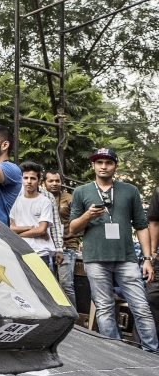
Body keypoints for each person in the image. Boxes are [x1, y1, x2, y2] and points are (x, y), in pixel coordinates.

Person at [69, 148, 156, 352]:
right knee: (104, 308)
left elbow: (142, 225)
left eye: (108, 162)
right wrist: (88, 216)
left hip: (126, 258)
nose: (103, 166)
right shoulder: (81, 192)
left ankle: (151, 352)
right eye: (99, 162)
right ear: (93, 165)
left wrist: (147, 258)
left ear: (115, 166)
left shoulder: (130, 190)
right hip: (95, 258)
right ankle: (116, 352)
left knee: (141, 307)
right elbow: (73, 228)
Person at [9, 161, 58, 269]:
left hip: (40, 253)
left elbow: (41, 230)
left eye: (33, 178)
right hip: (19, 251)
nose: (29, 182)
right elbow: (10, 228)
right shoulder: (14, 201)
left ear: (39, 181)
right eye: (25, 178)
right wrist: (32, 228)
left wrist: (17, 234)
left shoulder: (45, 201)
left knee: (43, 285)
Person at [45, 169, 79, 305]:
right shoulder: (40, 197)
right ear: (44, 183)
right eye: (50, 181)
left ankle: (73, 319)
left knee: (66, 285)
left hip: (66, 246)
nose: (54, 183)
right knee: (48, 286)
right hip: (46, 247)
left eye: (57, 181)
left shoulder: (69, 198)